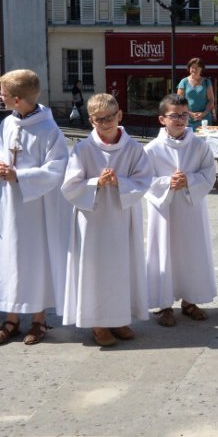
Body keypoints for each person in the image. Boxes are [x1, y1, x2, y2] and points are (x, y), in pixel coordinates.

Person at [61, 94, 154, 347]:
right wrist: (95, 183)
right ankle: (98, 323)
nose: (105, 124)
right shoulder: (83, 149)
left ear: (119, 115)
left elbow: (145, 180)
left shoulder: (134, 148)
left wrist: (120, 182)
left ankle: (119, 318)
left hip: (122, 217)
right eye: (99, 119)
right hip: (92, 221)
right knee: (95, 269)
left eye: (110, 118)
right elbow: (69, 187)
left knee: (121, 267)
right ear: (91, 120)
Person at [0, 69, 70, 346]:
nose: (0, 97)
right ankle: (12, 318)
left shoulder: (49, 130)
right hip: (12, 206)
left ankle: (39, 319)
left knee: (37, 261)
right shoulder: (7, 124)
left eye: (4, 94)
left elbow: (57, 170)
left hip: (38, 209)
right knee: (12, 259)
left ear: (17, 99)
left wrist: (21, 176)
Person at [144, 93, 217, 328]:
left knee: (191, 253)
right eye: (174, 115)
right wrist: (167, 183)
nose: (180, 119)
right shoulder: (152, 149)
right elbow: (144, 179)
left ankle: (190, 301)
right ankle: (164, 305)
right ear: (162, 119)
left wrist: (190, 181)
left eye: (184, 115)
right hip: (164, 212)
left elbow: (208, 173)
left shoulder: (199, 145)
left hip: (190, 209)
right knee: (163, 253)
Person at [177, 57, 216, 129]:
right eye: (192, 67)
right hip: (188, 118)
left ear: (201, 69)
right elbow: (179, 101)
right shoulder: (183, 82)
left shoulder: (207, 82)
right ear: (189, 68)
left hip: (204, 119)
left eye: (197, 67)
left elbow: (211, 100)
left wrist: (203, 113)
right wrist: (190, 113)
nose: (194, 69)